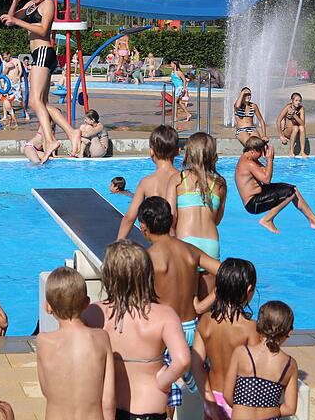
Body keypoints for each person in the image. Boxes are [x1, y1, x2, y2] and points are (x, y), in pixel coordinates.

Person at [82, 240, 190, 420]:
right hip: (148, 406)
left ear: (108, 276)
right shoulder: (164, 315)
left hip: (106, 408)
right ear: (147, 274)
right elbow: (183, 360)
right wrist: (163, 382)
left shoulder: (94, 312)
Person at [137, 196, 220, 413]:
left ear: (143, 227)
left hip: (166, 336)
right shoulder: (190, 250)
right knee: (206, 392)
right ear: (172, 219)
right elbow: (226, 273)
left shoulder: (149, 257)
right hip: (194, 330)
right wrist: (204, 304)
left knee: (165, 395)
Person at [1, 0, 81, 163]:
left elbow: (44, 30)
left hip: (44, 51)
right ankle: (72, 132)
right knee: (42, 104)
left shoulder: (48, 4)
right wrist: (15, 1)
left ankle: (51, 139)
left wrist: (17, 21)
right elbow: (9, 21)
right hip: (38, 53)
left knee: (34, 102)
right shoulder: (30, 5)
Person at [37, 267, 115, 420]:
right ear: (86, 303)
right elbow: (108, 401)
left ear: (48, 306)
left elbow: (46, 390)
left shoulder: (43, 341)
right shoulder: (101, 338)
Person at [193, 259, 260, 419]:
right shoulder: (250, 328)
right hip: (240, 401)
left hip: (213, 397)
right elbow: (256, 370)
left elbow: (196, 364)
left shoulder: (205, 321)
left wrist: (208, 399)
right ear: (249, 289)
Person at [168, 132, 227, 297]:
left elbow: (170, 218)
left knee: (185, 305)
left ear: (189, 153)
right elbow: (217, 219)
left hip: (186, 243)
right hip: (211, 245)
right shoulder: (220, 183)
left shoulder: (179, 179)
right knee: (206, 309)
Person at [235, 136, 315, 234]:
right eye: (260, 152)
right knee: (290, 193)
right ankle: (267, 220)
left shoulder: (248, 158)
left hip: (259, 194)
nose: (261, 155)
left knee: (293, 188)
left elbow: (264, 171)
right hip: (253, 203)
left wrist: (268, 155)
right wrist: (269, 160)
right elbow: (266, 179)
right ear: (252, 151)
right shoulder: (249, 163)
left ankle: (314, 221)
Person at [223, 301, 299, 420]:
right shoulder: (290, 364)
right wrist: (271, 410)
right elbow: (290, 408)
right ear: (288, 332)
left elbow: (227, 394)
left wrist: (241, 408)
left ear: (259, 325)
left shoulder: (241, 353)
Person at [117, 125, 180, 240]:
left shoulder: (146, 183)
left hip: (158, 244)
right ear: (177, 151)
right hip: (179, 242)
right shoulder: (183, 179)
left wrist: (119, 241)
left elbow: (130, 217)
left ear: (151, 151)